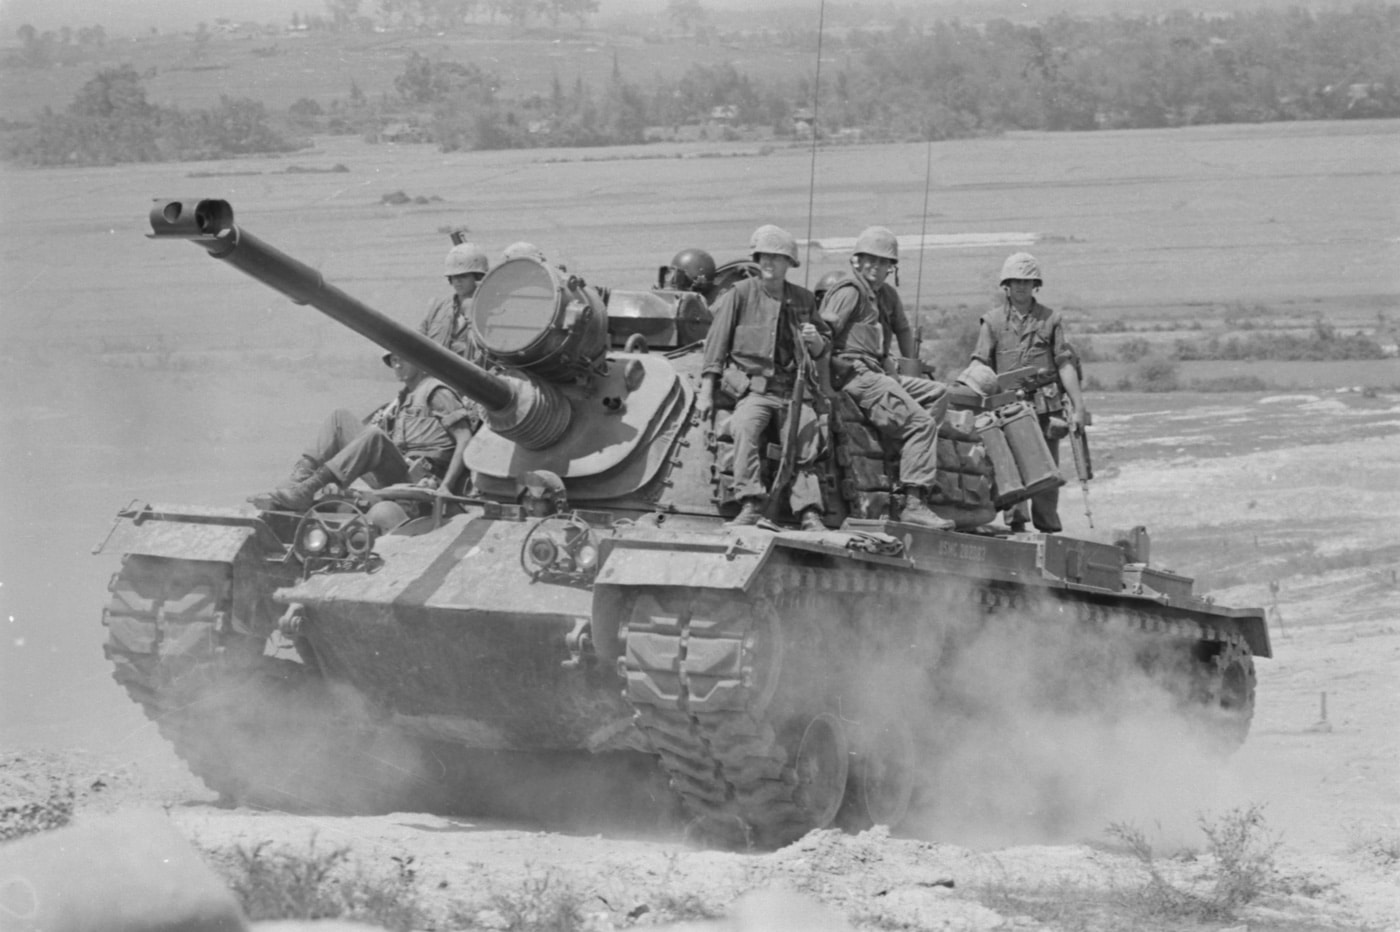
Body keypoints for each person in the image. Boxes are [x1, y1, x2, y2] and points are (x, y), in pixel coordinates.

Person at [820, 226, 954, 530]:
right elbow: (824, 335)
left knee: (937, 393)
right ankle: (915, 502)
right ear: (857, 261)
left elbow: (903, 329)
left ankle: (907, 456)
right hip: (856, 374)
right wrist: (827, 382)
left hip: (879, 372)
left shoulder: (886, 296)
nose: (877, 268)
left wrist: (906, 369)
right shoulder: (849, 293)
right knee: (920, 424)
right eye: (871, 260)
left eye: (884, 263)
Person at [697, 224, 830, 530]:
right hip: (755, 390)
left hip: (793, 391)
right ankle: (751, 502)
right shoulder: (740, 295)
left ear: (789, 264)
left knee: (806, 437)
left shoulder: (804, 300)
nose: (769, 263)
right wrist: (706, 391)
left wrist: (815, 340)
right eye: (764, 257)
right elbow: (715, 346)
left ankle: (809, 512)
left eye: (777, 257)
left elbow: (823, 349)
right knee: (744, 428)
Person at [250, 353, 475, 511]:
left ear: (417, 360)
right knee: (340, 419)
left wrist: (446, 486)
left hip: (421, 479)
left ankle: (308, 489)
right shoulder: (403, 398)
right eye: (393, 360)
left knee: (374, 435)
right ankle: (297, 482)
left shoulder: (436, 391)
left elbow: (465, 438)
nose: (397, 365)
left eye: (402, 359)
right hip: (397, 471)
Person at [971, 252, 1087, 533]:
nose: (1021, 287)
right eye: (1015, 281)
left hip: (1046, 408)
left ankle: (1048, 528)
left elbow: (1064, 364)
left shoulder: (1051, 320)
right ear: (1006, 285)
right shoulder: (993, 322)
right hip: (1006, 409)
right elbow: (979, 364)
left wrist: (1079, 407)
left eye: (1027, 281)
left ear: (1036, 284)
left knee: (1046, 468)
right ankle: (1017, 525)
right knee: (1010, 468)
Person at [420, 241, 489, 363]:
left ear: (477, 276)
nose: (457, 281)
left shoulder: (489, 310)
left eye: (463, 276)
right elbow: (419, 338)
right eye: (454, 277)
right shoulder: (437, 307)